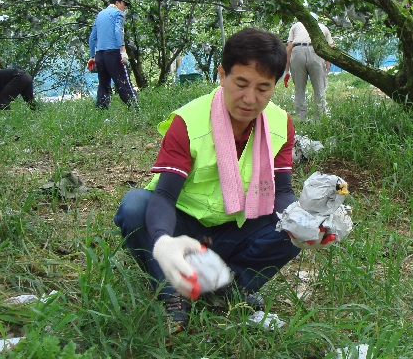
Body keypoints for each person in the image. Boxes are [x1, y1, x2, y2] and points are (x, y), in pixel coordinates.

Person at [114, 28, 310, 332]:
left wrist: (308, 223)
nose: (249, 99)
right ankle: (172, 292)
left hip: (238, 227)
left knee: (294, 224)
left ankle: (231, 286)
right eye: (241, 83)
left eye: (263, 88)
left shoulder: (280, 123)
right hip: (186, 228)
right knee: (135, 206)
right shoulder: (188, 121)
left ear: (275, 85)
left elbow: (282, 192)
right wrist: (165, 241)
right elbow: (164, 196)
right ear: (222, 74)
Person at [88, 0, 138, 109]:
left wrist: (92, 56)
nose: (124, 8)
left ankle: (101, 111)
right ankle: (135, 109)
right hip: (113, 53)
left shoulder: (99, 15)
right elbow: (118, 31)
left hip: (100, 55)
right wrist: (123, 51)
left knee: (103, 84)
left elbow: (92, 37)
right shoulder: (118, 13)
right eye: (124, 4)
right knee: (122, 81)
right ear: (117, 3)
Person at [284, 13, 334, 121]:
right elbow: (330, 48)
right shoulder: (323, 27)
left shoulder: (296, 26)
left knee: (299, 89)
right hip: (316, 52)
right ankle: (319, 118)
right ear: (316, 21)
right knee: (320, 88)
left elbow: (289, 48)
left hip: (297, 51)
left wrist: (287, 70)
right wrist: (327, 69)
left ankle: (301, 118)